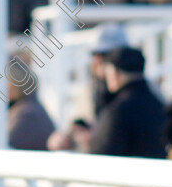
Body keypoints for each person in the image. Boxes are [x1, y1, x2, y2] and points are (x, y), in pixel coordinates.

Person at [47, 23, 128, 152]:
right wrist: (68, 138)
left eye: (105, 54)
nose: (98, 60)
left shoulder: (138, 93)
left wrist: (99, 137)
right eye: (95, 54)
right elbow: (76, 125)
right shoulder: (90, 90)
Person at [80, 46, 166, 158]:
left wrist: (91, 141)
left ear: (115, 72)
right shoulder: (158, 102)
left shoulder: (118, 110)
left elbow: (101, 153)